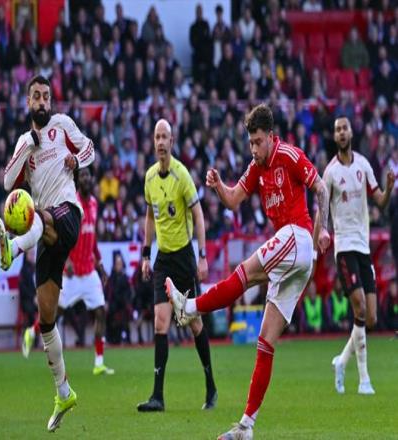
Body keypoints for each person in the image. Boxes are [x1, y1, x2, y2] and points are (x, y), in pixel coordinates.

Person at [166, 104, 331, 439]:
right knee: (265, 341)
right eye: (250, 142)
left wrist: (321, 232)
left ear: (271, 136)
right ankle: (246, 426)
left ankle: (190, 307)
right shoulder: (256, 167)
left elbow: (322, 189)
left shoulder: (289, 155)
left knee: (245, 273)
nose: (253, 148)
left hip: (298, 237)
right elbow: (233, 199)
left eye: (258, 142)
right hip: (292, 258)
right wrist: (218, 185)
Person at [0, 75, 95, 432]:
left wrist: (76, 160)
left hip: (68, 212)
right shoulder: (25, 141)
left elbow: (90, 148)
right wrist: (27, 147)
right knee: (46, 317)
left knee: (39, 216)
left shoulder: (62, 124)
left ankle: (13, 248)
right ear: (28, 102)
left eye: (46, 96)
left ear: (51, 101)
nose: (41, 101)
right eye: (36, 96)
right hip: (45, 230)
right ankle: (64, 392)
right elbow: (7, 182)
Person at [137, 118, 218, 413]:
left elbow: (198, 215)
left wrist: (203, 255)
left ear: (172, 142)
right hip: (163, 259)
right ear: (153, 141)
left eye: (165, 137)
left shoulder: (182, 175)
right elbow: (149, 217)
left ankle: (211, 385)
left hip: (183, 259)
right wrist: (146, 255)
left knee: (193, 323)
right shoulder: (149, 177)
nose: (160, 142)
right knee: (161, 322)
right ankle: (157, 396)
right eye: (157, 137)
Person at [324, 116, 395, 395]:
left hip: (363, 248)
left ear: (351, 132)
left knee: (371, 318)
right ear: (335, 136)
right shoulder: (330, 173)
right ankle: (364, 379)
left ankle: (341, 361)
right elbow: (322, 208)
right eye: (337, 130)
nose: (342, 133)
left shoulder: (364, 165)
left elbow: (380, 201)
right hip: (344, 247)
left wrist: (389, 187)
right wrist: (322, 233)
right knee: (360, 309)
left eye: (345, 128)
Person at [21, 166, 114, 376]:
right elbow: (64, 234)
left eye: (89, 175)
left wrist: (100, 264)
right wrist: (67, 261)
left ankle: (99, 363)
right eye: (83, 175)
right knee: (54, 314)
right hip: (71, 274)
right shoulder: (72, 203)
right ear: (78, 180)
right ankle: (32, 331)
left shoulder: (94, 204)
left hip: (89, 272)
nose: (86, 179)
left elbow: (92, 238)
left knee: (101, 312)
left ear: (92, 179)